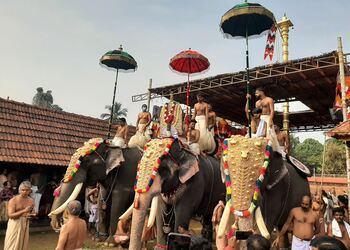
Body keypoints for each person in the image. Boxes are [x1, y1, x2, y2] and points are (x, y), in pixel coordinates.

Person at [4, 181, 35, 250]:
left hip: (25, 224)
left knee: (22, 243)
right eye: (23, 190)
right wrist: (24, 211)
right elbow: (10, 215)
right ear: (19, 190)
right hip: (14, 223)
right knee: (11, 243)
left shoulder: (31, 201)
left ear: (30, 191)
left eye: (27, 190)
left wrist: (32, 215)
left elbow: (33, 212)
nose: (25, 192)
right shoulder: (13, 200)